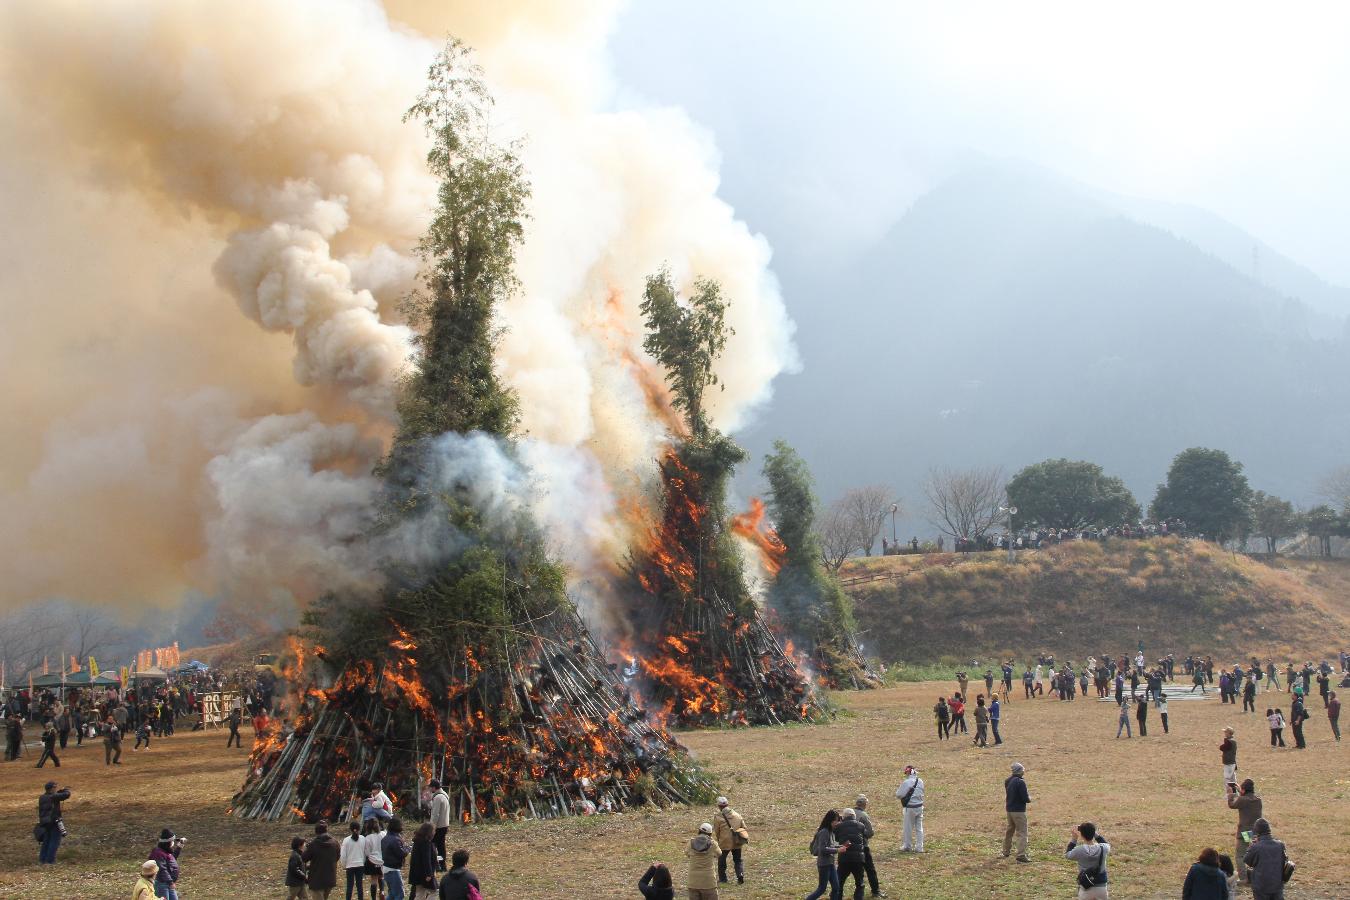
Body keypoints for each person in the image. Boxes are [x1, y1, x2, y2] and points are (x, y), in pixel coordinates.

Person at [1225, 778, 1262, 885]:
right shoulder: (1258, 799)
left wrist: (1230, 794)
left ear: (1244, 790)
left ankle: (1244, 878)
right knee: (1254, 854)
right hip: (1255, 832)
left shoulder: (1243, 800)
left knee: (1240, 855)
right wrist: (1240, 791)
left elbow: (1232, 804)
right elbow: (1244, 800)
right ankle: (1256, 875)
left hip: (1245, 832)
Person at [1241, 819, 1288, 900]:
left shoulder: (1256, 847)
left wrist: (1251, 847)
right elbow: (1284, 861)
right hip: (1277, 884)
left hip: (1261, 885)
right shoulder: (1280, 845)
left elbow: (1247, 860)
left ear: (1257, 832)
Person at [805, 809, 844, 900]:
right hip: (824, 864)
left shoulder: (831, 832)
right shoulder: (824, 832)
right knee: (822, 888)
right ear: (830, 821)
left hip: (830, 863)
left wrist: (841, 846)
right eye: (836, 821)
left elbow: (831, 845)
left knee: (836, 887)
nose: (837, 823)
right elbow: (822, 849)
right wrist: (838, 850)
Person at [1064, 821, 1110, 899]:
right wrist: (1094, 833)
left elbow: (1068, 855)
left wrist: (1074, 839)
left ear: (1081, 835)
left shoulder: (1079, 850)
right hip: (1101, 888)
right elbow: (1106, 844)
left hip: (1086, 887)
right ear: (1094, 833)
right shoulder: (1103, 848)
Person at [852, 795, 886, 897]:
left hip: (848, 847)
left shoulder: (849, 813)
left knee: (845, 872)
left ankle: (837, 892)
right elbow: (870, 832)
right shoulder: (863, 815)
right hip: (863, 846)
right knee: (870, 869)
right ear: (864, 804)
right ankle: (875, 891)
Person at [832, 808, 868, 900]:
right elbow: (865, 837)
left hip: (844, 858)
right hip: (858, 858)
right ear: (854, 816)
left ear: (844, 817)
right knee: (859, 883)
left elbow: (835, 839)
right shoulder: (861, 825)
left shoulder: (839, 826)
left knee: (839, 882)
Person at [713, 796, 747, 885]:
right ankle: (740, 874)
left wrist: (719, 839)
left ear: (719, 806)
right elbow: (744, 827)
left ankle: (723, 879)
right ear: (727, 804)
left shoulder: (718, 817)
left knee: (722, 860)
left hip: (724, 841)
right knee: (738, 860)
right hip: (737, 841)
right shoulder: (737, 815)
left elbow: (717, 831)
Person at [304, 820, 342, 900]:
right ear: (326, 829)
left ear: (316, 831)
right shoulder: (335, 843)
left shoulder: (314, 844)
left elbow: (303, 858)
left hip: (317, 879)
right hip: (330, 877)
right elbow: (337, 857)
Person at [1002, 762, 1031, 862]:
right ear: (1020, 771)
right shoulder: (1020, 782)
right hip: (1019, 811)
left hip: (1009, 810)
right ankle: (1021, 855)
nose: (1024, 771)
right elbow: (1025, 798)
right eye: (1023, 769)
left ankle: (1006, 851)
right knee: (1022, 832)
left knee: (1009, 831)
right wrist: (1029, 798)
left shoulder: (1008, 780)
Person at [37, 780, 70, 864]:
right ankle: (50, 861)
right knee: (55, 841)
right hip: (54, 821)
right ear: (51, 789)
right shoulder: (53, 797)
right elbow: (66, 795)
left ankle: (42, 859)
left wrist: (59, 792)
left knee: (47, 841)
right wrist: (65, 790)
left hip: (45, 822)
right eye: (55, 787)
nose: (56, 789)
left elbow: (56, 796)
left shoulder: (42, 797)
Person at [685, 823, 720, 900]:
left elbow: (687, 853)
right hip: (708, 882)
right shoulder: (713, 844)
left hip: (693, 881)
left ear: (699, 831)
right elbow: (719, 854)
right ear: (710, 834)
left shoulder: (691, 842)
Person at [894, 765, 924, 852]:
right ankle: (919, 847)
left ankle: (907, 846)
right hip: (919, 806)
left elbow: (898, 794)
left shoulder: (906, 782)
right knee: (919, 828)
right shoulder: (920, 781)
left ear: (908, 772)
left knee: (908, 828)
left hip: (910, 807)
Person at [150, 828, 186, 899]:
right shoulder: (158, 853)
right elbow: (162, 869)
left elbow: (172, 860)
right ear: (167, 842)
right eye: (172, 841)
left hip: (168, 884)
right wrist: (170, 882)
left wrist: (179, 846)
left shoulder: (165, 851)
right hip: (162, 884)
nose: (173, 842)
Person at [406, 822, 437, 900]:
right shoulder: (426, 843)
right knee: (434, 891)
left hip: (416, 872)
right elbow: (426, 859)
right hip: (424, 873)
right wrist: (429, 873)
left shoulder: (417, 842)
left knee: (420, 892)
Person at [381, 818, 408, 900]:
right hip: (393, 869)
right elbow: (401, 853)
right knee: (400, 894)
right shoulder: (395, 840)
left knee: (392, 893)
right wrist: (407, 849)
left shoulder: (385, 838)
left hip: (386, 868)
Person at [428, 779, 450, 872]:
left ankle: (436, 865)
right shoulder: (444, 795)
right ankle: (442, 865)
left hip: (438, 826)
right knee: (441, 846)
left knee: (432, 846)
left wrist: (432, 827)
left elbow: (435, 814)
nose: (429, 789)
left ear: (434, 787)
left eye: (430, 787)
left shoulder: (437, 798)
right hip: (444, 824)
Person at [362, 817, 385, 900]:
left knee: (374, 880)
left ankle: (373, 898)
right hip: (382, 860)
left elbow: (367, 852)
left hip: (372, 861)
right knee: (381, 876)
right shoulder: (383, 834)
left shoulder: (367, 838)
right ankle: (382, 891)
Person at [288, 836, 309, 900]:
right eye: (304, 843)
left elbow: (302, 866)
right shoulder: (295, 855)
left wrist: (310, 866)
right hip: (295, 882)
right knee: (291, 897)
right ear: (300, 845)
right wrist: (304, 876)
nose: (305, 845)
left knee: (304, 898)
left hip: (301, 881)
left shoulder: (300, 854)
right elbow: (294, 869)